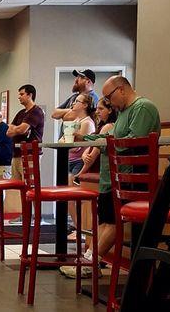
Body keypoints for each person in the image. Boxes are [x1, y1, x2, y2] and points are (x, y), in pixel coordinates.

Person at [60, 76, 161, 279]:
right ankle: (90, 260)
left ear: (121, 89)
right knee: (106, 219)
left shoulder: (143, 108)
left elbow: (132, 142)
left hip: (134, 179)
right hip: (118, 177)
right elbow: (110, 138)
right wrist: (85, 138)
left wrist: (106, 144)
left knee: (113, 221)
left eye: (109, 96)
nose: (109, 102)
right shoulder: (123, 113)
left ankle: (91, 262)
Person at [58, 94, 96, 241]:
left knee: (72, 197)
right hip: (70, 160)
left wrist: (69, 141)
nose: (73, 103)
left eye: (77, 101)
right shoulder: (75, 121)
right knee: (68, 197)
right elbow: (63, 140)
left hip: (79, 162)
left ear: (85, 105)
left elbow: (76, 146)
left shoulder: (87, 123)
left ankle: (80, 228)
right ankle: (76, 226)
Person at [6, 84, 45, 224]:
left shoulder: (36, 112)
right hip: (16, 154)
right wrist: (17, 129)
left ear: (30, 95)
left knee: (32, 186)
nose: (19, 97)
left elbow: (22, 130)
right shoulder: (21, 113)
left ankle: (36, 216)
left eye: (22, 94)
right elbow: (9, 130)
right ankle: (24, 214)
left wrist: (18, 129)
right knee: (20, 187)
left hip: (30, 155)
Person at [74, 98, 117, 179]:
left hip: (96, 167)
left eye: (101, 109)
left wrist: (80, 174)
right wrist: (84, 155)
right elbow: (90, 147)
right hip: (90, 165)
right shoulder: (101, 126)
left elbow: (95, 151)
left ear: (110, 110)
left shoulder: (108, 126)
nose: (97, 112)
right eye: (97, 108)